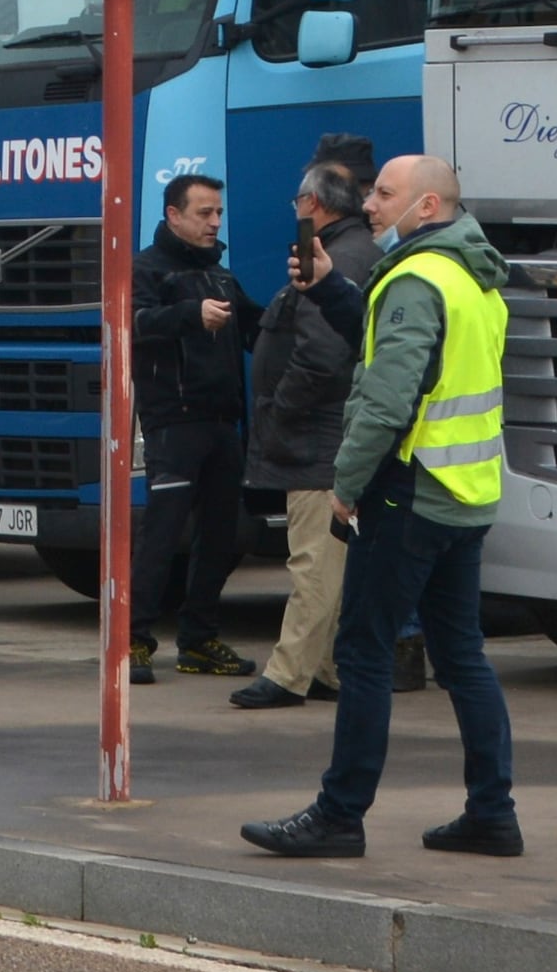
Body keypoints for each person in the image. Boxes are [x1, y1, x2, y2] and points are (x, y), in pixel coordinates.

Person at [242, 149, 520, 860]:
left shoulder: (417, 278)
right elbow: (395, 338)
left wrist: (346, 485)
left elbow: (389, 395)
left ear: (427, 206)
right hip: (466, 494)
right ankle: (493, 811)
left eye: (384, 193)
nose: (368, 204)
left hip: (409, 491)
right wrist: (335, 288)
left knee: (363, 650)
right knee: (462, 655)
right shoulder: (470, 274)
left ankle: (341, 814)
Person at [231, 156, 379, 710]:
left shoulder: (336, 258)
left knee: (313, 560)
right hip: (326, 433)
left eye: (298, 204)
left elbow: (320, 355)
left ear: (313, 205)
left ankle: (289, 673)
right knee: (327, 560)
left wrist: (280, 409)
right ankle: (324, 668)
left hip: (317, 436)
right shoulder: (354, 251)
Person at [125, 171, 252, 679]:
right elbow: (132, 323)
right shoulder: (146, 270)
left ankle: (199, 639)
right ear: (173, 215)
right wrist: (189, 314)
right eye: (204, 213)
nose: (214, 222)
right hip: (173, 423)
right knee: (162, 534)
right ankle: (133, 640)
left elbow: (255, 324)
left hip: (223, 420)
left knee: (222, 535)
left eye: (218, 213)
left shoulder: (220, 275)